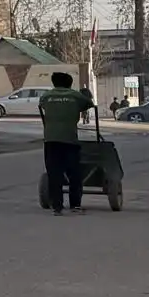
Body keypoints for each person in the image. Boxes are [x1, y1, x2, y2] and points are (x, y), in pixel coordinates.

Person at [38, 69, 95, 213]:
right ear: (69, 84)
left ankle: (57, 206)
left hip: (50, 140)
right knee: (75, 173)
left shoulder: (46, 96)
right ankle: (75, 205)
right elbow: (89, 103)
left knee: (54, 173)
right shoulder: (75, 96)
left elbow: (43, 106)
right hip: (69, 139)